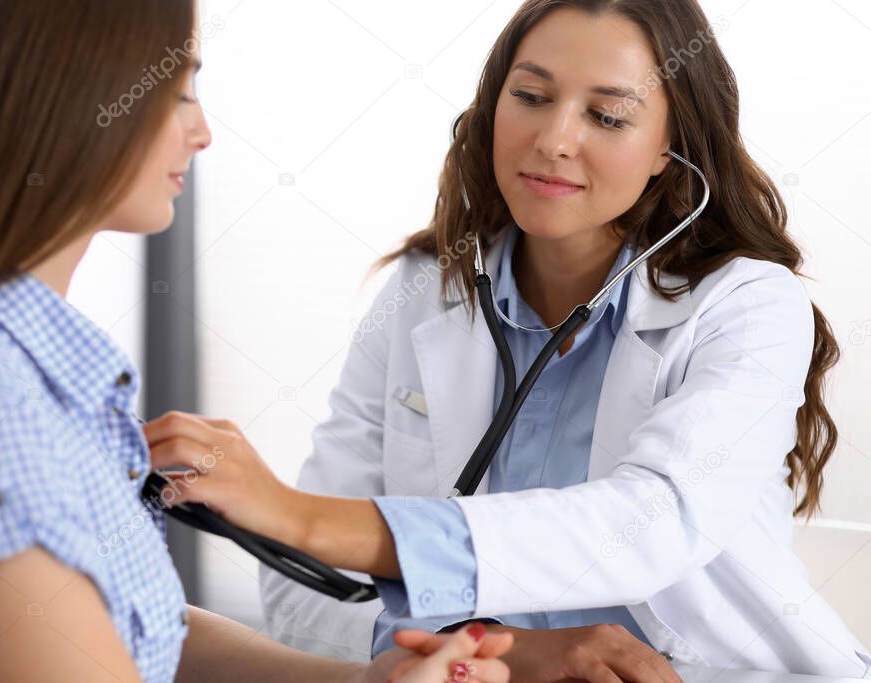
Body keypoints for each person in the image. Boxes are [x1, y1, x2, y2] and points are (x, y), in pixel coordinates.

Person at [146, 0, 871, 679]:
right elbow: (302, 592)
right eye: (530, 97)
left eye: (608, 116)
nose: (554, 140)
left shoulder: (747, 304)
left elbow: (652, 519)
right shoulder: (419, 291)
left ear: (669, 149)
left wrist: (297, 515)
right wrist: (507, 653)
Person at [0, 1, 515, 681]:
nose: (202, 133)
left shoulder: (35, 376)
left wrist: (364, 679)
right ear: (66, 98)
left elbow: (132, 626)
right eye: (178, 91)